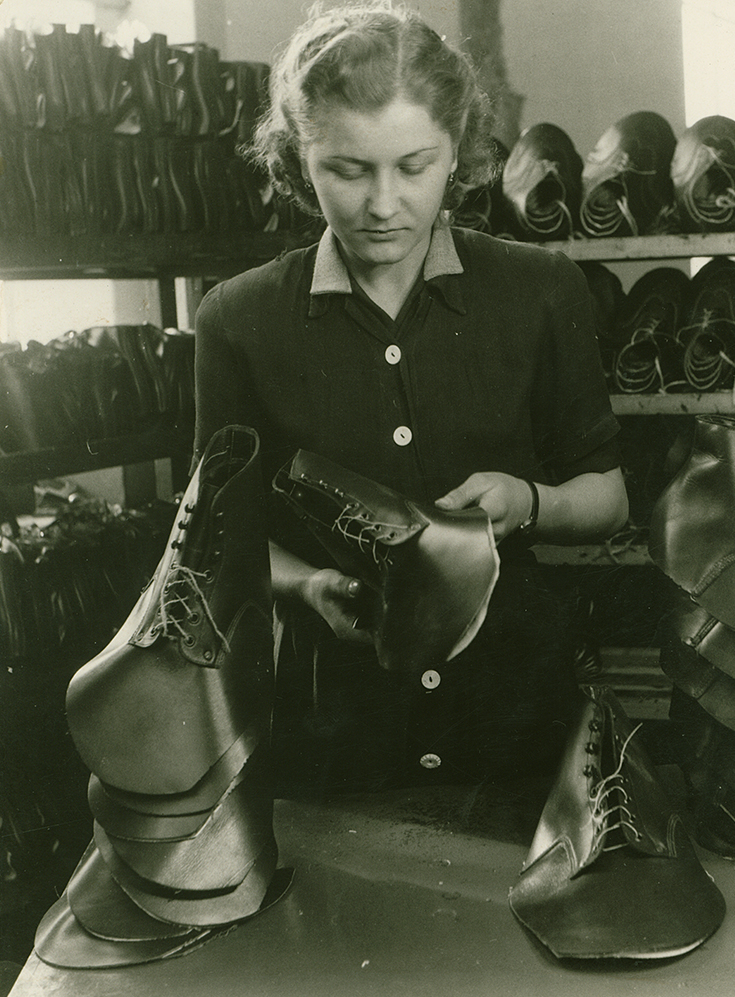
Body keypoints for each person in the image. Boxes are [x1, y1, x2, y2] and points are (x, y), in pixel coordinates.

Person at [193, 0, 629, 798]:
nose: (383, 204)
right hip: (333, 726)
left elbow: (607, 499)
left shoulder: (541, 292)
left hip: (517, 716)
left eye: (414, 166)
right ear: (299, 159)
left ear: (458, 150)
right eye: (348, 170)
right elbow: (221, 543)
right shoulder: (238, 318)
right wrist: (307, 585)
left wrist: (526, 502)